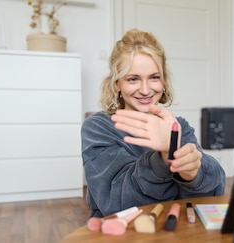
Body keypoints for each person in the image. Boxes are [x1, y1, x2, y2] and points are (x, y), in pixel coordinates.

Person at [81, 28, 226, 218]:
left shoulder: (176, 125)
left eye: (154, 77)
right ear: (117, 83)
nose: (145, 89)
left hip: (173, 226)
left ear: (163, 80)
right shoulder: (98, 127)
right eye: (133, 79)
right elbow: (116, 203)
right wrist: (164, 156)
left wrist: (193, 173)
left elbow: (210, 193)